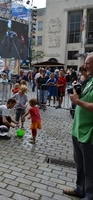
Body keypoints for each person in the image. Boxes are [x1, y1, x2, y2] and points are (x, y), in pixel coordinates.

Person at [63, 53, 93, 199]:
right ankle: (80, 189)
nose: (85, 66)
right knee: (80, 164)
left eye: (88, 63)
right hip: (78, 129)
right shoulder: (89, 80)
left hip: (89, 132)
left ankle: (89, 195)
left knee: (90, 167)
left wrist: (78, 101)